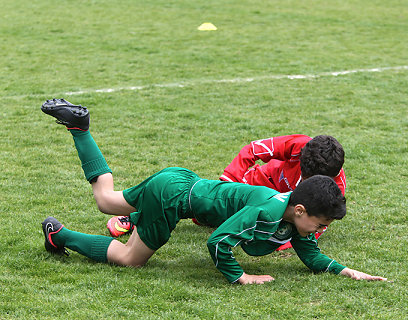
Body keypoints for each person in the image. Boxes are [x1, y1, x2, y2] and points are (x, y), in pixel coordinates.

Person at [40, 98, 386, 284]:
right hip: (175, 198)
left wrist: (349, 271)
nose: (320, 230)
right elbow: (217, 241)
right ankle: (60, 235)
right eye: (320, 222)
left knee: (105, 200)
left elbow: (310, 253)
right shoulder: (267, 211)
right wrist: (241, 277)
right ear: (300, 211)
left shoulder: (291, 213)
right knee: (130, 259)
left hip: (179, 181)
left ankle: (79, 128)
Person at [107, 135, 348, 249]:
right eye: (303, 174)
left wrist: (281, 242)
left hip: (281, 209)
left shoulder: (334, 191)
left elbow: (315, 226)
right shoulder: (300, 145)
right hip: (257, 185)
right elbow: (253, 150)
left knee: (218, 221)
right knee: (204, 214)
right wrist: (229, 181)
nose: (303, 181)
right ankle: (135, 217)